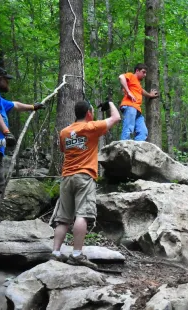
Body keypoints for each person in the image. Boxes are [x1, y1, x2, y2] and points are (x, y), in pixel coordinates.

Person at [50, 100, 121, 268]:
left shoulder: (64, 132)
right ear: (89, 112)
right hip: (84, 176)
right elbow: (116, 117)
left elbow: (63, 150)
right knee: (82, 215)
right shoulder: (91, 127)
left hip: (66, 177)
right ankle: (76, 254)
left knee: (63, 219)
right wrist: (110, 103)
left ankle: (55, 253)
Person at [0, 66, 45, 194]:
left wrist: (33, 107)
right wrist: (7, 132)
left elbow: (15, 105)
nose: (8, 82)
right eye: (6, 79)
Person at [118, 63, 158, 141]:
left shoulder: (138, 84)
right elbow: (121, 77)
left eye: (146, 73)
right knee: (128, 129)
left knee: (143, 132)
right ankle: (123, 150)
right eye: (143, 72)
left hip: (138, 111)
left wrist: (150, 95)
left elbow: (141, 91)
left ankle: (135, 151)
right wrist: (128, 91)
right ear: (137, 71)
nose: (145, 75)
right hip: (130, 106)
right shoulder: (131, 76)